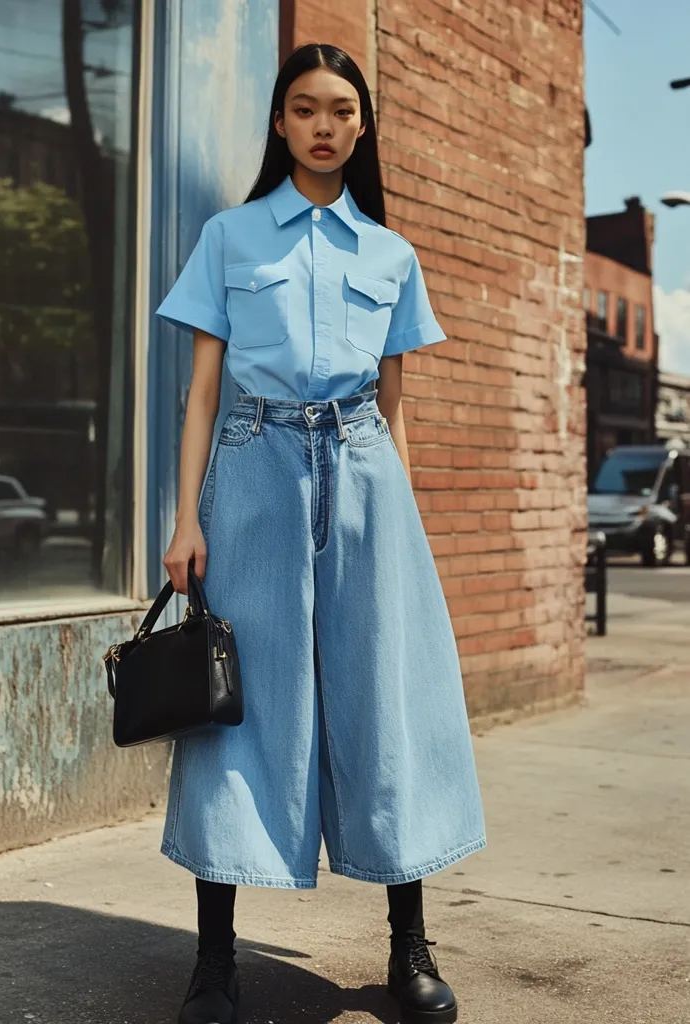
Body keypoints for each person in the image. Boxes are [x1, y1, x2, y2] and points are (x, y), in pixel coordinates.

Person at [156, 42, 486, 1024]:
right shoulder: (229, 236)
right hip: (253, 467)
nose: (324, 125)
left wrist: (402, 526)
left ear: (361, 125)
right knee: (235, 704)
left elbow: (394, 407)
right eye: (305, 108)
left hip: (364, 477)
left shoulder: (390, 253)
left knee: (383, 699)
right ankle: (214, 961)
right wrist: (185, 518)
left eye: (341, 109)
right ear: (280, 122)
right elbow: (201, 393)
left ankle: (408, 944)